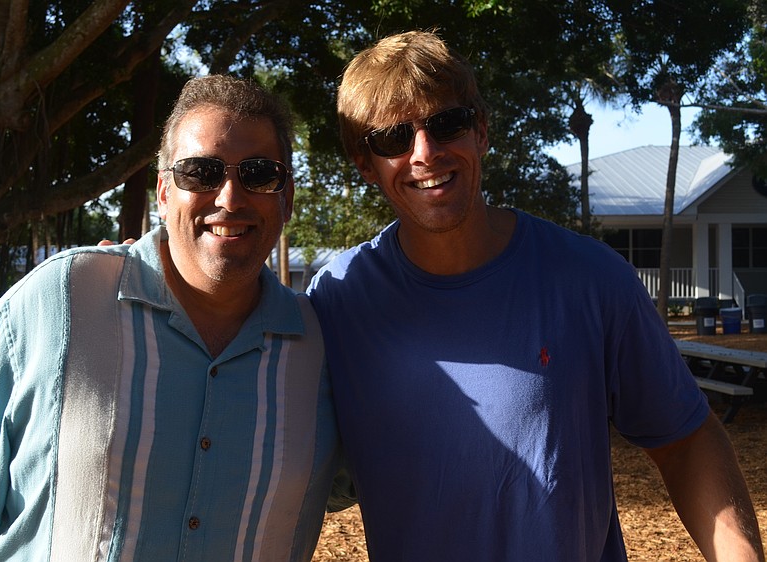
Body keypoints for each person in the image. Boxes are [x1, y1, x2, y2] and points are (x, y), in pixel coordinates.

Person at [308, 30, 765, 561]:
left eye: (446, 123)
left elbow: (686, 441)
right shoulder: (337, 301)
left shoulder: (589, 278)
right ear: (365, 163)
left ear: (480, 130)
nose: (425, 153)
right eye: (392, 139)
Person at [0, 75, 342, 561]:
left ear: (286, 198)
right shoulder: (56, 301)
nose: (229, 197)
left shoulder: (323, 347)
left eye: (259, 174)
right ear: (163, 193)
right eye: (200, 173)